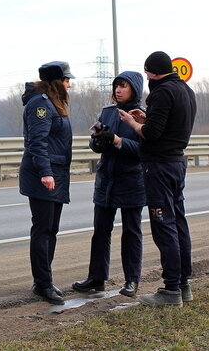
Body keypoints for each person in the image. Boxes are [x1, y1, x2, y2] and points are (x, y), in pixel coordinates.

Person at [119, 51, 196, 307]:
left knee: (164, 225)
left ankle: (170, 289)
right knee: (179, 223)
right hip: (177, 162)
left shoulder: (161, 92)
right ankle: (184, 285)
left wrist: (132, 122)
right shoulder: (186, 90)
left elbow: (151, 134)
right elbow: (166, 125)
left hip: (159, 166)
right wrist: (147, 117)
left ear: (151, 72)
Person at [72, 71, 145, 298]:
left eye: (123, 86)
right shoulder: (107, 112)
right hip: (107, 180)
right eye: (116, 86)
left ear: (134, 88)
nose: (118, 90)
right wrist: (98, 140)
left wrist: (117, 140)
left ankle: (132, 280)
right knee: (100, 231)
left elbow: (144, 151)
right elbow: (95, 146)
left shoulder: (143, 115)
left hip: (132, 180)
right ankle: (97, 278)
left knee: (131, 232)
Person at [19, 61, 74, 305]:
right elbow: (37, 141)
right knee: (42, 230)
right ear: (56, 82)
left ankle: (43, 280)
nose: (69, 84)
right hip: (44, 175)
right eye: (66, 80)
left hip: (56, 174)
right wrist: (45, 172)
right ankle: (43, 284)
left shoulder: (54, 103)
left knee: (51, 229)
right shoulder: (40, 105)